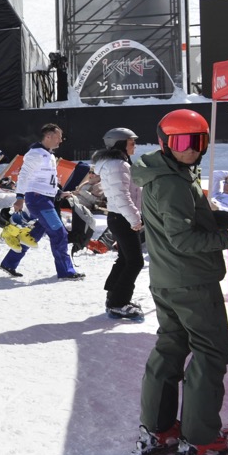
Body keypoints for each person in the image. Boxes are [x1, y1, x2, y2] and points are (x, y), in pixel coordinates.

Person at [132, 109, 228, 455]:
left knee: (171, 346)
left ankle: (159, 426)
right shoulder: (173, 182)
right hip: (192, 282)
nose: (191, 149)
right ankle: (200, 437)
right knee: (211, 352)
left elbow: (195, 219)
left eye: (197, 141)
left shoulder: (165, 173)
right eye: (181, 142)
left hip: (167, 280)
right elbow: (184, 239)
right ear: (166, 143)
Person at [0, 123, 84, 281]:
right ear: (48, 136)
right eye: (59, 137)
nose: (61, 140)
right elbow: (24, 175)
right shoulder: (35, 154)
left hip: (45, 199)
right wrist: (19, 197)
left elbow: (46, 180)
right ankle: (66, 271)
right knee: (59, 233)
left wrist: (59, 192)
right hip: (39, 200)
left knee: (33, 234)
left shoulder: (49, 155)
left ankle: (9, 263)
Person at [92, 127, 145, 320]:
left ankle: (114, 297)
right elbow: (121, 196)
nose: (135, 146)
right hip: (123, 218)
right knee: (135, 262)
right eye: (131, 142)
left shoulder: (118, 163)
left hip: (120, 217)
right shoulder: (117, 165)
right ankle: (118, 303)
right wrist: (135, 219)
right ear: (120, 143)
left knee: (125, 259)